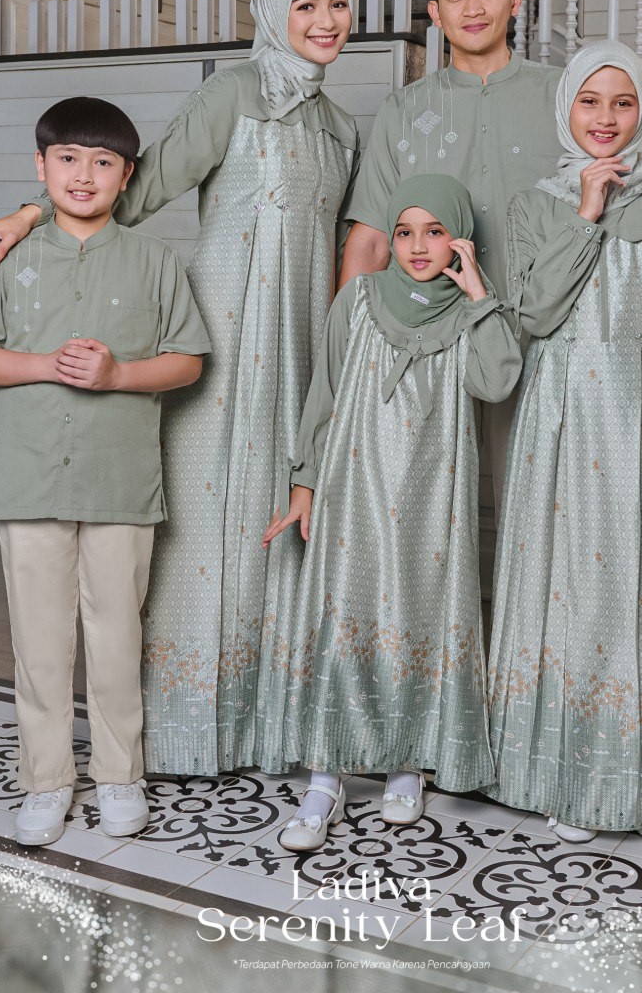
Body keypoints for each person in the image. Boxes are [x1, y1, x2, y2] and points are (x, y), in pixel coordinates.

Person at [0, 0, 359, 778]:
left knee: (275, 520)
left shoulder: (342, 129)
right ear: (272, 13)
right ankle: (183, 732)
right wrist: (32, 214)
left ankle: (264, 723)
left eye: (337, 5)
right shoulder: (231, 95)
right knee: (196, 530)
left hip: (297, 344)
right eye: (304, 5)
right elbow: (133, 188)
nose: (324, 21)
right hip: (215, 335)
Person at [485, 40, 642, 844]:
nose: (606, 119)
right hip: (559, 417)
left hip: (641, 416)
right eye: (590, 102)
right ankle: (565, 774)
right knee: (567, 590)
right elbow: (532, 314)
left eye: (623, 104)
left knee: (641, 589)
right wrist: (586, 212)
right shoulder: (534, 205)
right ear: (567, 108)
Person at [0, 98, 210, 846]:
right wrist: (46, 366)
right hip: (28, 479)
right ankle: (46, 781)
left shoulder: (156, 261)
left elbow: (188, 360)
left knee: (116, 638)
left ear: (127, 177)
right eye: (67, 158)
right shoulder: (10, 257)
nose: (84, 174)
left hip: (120, 484)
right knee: (38, 644)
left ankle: (120, 775)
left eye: (103, 162)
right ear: (41, 167)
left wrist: (116, 374)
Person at [262, 175, 522, 851]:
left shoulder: (470, 314)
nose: (417, 246)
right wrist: (304, 483)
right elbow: (324, 392)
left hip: (435, 500)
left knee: (419, 616)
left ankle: (406, 765)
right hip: (353, 487)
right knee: (345, 615)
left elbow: (498, 380)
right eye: (404, 232)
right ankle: (325, 777)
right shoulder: (359, 299)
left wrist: (478, 293)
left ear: (460, 241)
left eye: (436, 232)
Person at [337, 0, 564, 526]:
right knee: (418, 512)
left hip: (542, 332)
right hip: (428, 334)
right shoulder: (405, 111)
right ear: (435, 13)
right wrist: (353, 345)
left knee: (539, 514)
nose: (473, 8)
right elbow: (372, 237)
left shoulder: (565, 100)